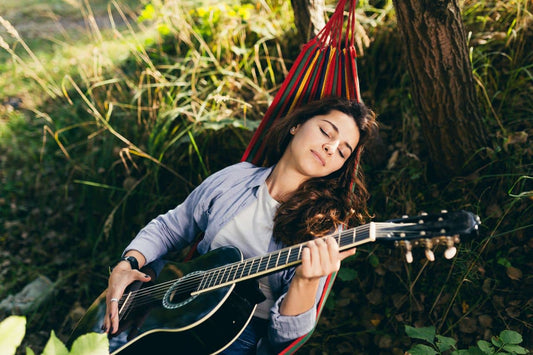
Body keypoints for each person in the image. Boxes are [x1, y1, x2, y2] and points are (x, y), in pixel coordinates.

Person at [103, 96, 378, 354]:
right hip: (170, 306)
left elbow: (285, 339)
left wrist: (307, 280)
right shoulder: (235, 178)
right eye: (326, 132)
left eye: (343, 152)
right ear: (296, 126)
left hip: (234, 336)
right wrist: (129, 263)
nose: (331, 148)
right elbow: (170, 227)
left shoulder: (324, 226)